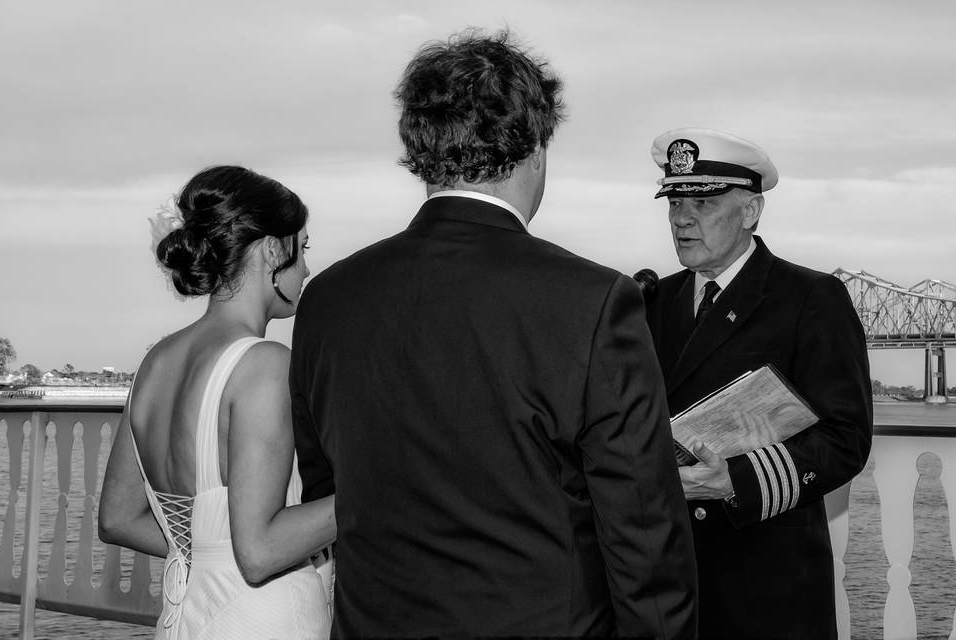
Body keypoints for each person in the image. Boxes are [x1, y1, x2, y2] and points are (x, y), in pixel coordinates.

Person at [289, 30, 697, 638]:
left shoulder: (329, 297)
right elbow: (641, 530)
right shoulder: (592, 301)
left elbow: (330, 490)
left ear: (422, 149)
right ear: (534, 146)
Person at [644, 127, 873, 639]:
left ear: (750, 212)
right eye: (675, 201)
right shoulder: (652, 301)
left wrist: (735, 480)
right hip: (667, 581)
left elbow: (846, 438)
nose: (681, 218)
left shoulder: (811, 298)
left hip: (767, 585)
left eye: (702, 204)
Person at [99, 166, 336, 640]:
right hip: (262, 620)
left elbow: (118, 519)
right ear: (273, 248)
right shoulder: (262, 364)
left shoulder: (155, 363)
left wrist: (209, 553)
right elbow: (261, 552)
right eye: (302, 248)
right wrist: (379, 492)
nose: (307, 268)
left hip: (185, 615)